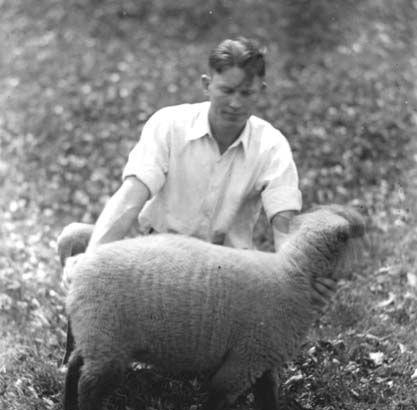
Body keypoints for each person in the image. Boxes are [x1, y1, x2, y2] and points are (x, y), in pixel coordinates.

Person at [58, 37, 335, 306]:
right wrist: (92, 257)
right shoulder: (169, 124)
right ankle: (84, 352)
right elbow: (131, 196)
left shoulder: (272, 146)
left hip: (225, 272)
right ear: (207, 84)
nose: (236, 103)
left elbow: (284, 226)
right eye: (226, 91)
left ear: (261, 90)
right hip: (154, 256)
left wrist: (299, 275)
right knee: (77, 240)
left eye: (246, 93)